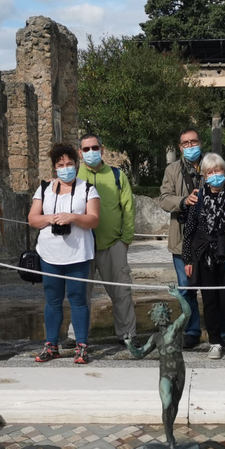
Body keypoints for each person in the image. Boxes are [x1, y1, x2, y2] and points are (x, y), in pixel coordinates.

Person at [158, 127, 225, 351]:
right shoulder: (172, 169)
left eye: (194, 142)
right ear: (180, 147)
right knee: (186, 287)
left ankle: (222, 332)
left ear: (200, 142)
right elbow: (163, 198)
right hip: (183, 238)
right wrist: (184, 201)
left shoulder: (215, 163)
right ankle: (192, 330)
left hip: (215, 242)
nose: (191, 146)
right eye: (186, 143)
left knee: (219, 289)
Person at [28, 143, 100, 365]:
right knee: (52, 300)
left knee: (78, 300)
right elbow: (33, 219)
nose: (65, 168)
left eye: (69, 164)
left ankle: (81, 346)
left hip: (78, 253)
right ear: (54, 167)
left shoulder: (87, 189)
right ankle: (51, 346)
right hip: (50, 253)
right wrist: (51, 218)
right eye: (61, 165)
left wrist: (72, 217)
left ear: (76, 165)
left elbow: (94, 219)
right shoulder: (44, 189)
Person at [68, 133, 137, 347]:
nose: (90, 152)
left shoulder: (117, 176)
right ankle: (76, 335)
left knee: (121, 291)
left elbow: (128, 208)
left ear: (102, 149)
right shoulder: (73, 176)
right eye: (86, 149)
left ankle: (126, 334)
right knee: (79, 293)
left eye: (94, 148)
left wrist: (125, 240)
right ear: (80, 152)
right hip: (81, 245)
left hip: (112, 243)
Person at [182, 153, 225, 359]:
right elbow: (190, 230)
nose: (215, 175)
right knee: (210, 301)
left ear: (224, 171)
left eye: (218, 170)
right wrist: (187, 259)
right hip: (204, 255)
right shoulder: (198, 197)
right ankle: (215, 342)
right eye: (210, 172)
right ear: (204, 175)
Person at [124, 286, 189, 449]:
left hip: (179, 373)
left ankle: (170, 434)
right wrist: (129, 344)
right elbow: (139, 354)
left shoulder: (175, 329)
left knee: (174, 407)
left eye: (162, 312)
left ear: (167, 315)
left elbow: (187, 313)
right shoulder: (155, 338)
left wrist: (178, 296)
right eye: (157, 313)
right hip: (165, 374)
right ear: (153, 318)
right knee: (166, 403)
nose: (160, 316)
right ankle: (170, 440)